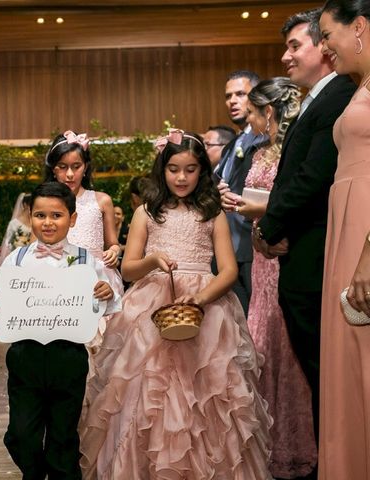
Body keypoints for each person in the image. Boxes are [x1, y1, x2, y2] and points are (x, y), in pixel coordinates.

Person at [79, 131, 272, 479]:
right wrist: (153, 260)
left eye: (190, 169)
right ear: (162, 170)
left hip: (206, 305)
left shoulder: (212, 214)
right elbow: (128, 267)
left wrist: (199, 298)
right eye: (173, 169)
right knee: (148, 392)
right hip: (153, 304)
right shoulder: (145, 213)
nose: (181, 178)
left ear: (202, 172)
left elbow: (227, 271)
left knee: (208, 393)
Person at [252, 10, 356, 458]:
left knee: (326, 372)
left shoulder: (341, 95)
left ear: (324, 48)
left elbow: (313, 176)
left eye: (296, 46)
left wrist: (268, 228)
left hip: (315, 254)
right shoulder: (319, 98)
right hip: (300, 252)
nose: (286, 56)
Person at [0, 181, 119, 480]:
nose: (48, 222)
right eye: (41, 215)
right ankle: (35, 472)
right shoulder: (16, 259)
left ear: (73, 219)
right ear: (30, 217)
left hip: (68, 356)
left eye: (56, 215)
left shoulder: (85, 260)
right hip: (25, 356)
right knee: (21, 435)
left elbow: (109, 301)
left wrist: (107, 293)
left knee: (63, 437)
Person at [227, 77, 317, 478]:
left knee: (286, 350)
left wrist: (252, 210)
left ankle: (297, 445)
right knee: (261, 346)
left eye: (253, 113)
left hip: (283, 253)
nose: (251, 121)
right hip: (262, 254)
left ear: (268, 112)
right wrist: (240, 205)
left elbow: (298, 199)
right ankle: (263, 444)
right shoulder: (258, 152)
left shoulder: (295, 151)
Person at [318, 3, 370, 478]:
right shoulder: (359, 88)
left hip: (365, 235)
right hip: (346, 227)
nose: (324, 45)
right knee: (347, 358)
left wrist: (368, 257)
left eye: (327, 34)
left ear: (359, 27)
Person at [44, 130, 124, 299]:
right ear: (53, 169)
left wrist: (114, 252)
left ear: (85, 167)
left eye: (76, 166)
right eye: (63, 167)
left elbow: (113, 244)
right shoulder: (45, 202)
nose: (70, 174)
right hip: (57, 277)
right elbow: (34, 246)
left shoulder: (102, 201)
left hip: (96, 277)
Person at [215, 70, 267, 316]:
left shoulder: (265, 140)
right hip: (228, 247)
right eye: (228, 96)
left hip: (254, 243)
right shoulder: (233, 144)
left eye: (240, 94)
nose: (232, 101)